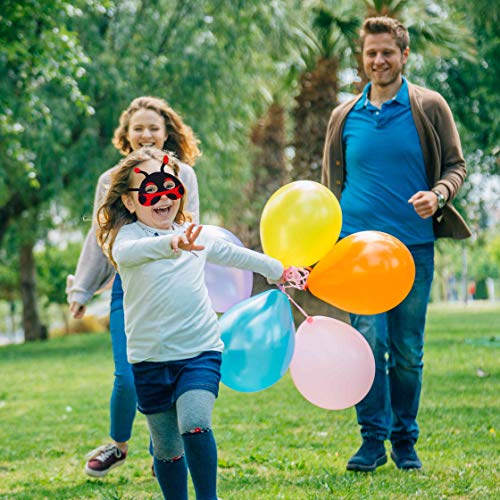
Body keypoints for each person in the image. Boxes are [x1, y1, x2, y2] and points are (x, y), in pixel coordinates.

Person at [322, 16, 471, 472]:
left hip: (412, 251)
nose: (379, 60)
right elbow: (330, 185)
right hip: (356, 253)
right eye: (371, 53)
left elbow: (456, 166)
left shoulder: (429, 106)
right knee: (368, 345)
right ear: (362, 58)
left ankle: (405, 441)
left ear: (404, 56)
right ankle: (372, 441)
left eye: (387, 52)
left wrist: (439, 193)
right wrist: (324, 247)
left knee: (407, 351)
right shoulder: (343, 116)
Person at [96, 146, 285, 499]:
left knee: (195, 422)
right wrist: (173, 242)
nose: (162, 197)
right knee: (166, 447)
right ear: (130, 201)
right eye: (150, 191)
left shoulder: (196, 234)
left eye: (169, 186)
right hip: (149, 358)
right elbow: (126, 255)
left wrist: (280, 270)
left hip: (199, 351)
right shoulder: (128, 238)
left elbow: (238, 255)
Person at [66, 96, 201, 477]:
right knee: (127, 375)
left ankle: (165, 448)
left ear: (166, 134)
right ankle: (118, 445)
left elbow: (189, 225)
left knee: (170, 373)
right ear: (126, 135)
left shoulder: (183, 175)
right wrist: (81, 291)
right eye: (138, 128)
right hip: (129, 289)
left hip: (173, 289)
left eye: (153, 128)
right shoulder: (110, 181)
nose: (146, 134)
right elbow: (99, 236)